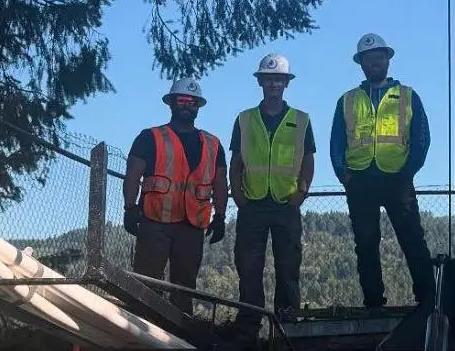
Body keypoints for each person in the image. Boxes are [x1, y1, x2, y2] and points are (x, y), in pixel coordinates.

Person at [331, 33, 435, 311]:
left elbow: (421, 138)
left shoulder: (408, 96)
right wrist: (345, 175)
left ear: (388, 60)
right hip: (360, 178)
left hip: (397, 178)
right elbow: (336, 143)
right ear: (361, 63)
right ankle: (373, 302)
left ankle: (428, 298)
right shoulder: (347, 100)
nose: (374, 62)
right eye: (368, 58)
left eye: (379, 57)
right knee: (365, 243)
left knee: (412, 238)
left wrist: (408, 172)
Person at [123, 78, 227, 315]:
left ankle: (179, 334)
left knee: (185, 288)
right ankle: (141, 331)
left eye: (192, 102)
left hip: (192, 225)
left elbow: (220, 183)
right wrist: (130, 208)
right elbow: (132, 175)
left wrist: (220, 216)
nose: (187, 105)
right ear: (171, 103)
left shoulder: (213, 144)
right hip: (155, 221)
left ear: (198, 106)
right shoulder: (150, 137)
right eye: (182, 100)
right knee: (146, 283)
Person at [229, 52, 316, 335]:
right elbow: (236, 160)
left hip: (286, 204)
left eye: (278, 79)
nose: (274, 85)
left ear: (286, 83)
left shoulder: (301, 120)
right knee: (248, 267)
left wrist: (302, 191)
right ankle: (249, 324)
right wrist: (237, 194)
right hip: (252, 204)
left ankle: (286, 325)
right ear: (261, 82)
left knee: (288, 267)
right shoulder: (244, 119)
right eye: (269, 80)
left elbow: (308, 160)